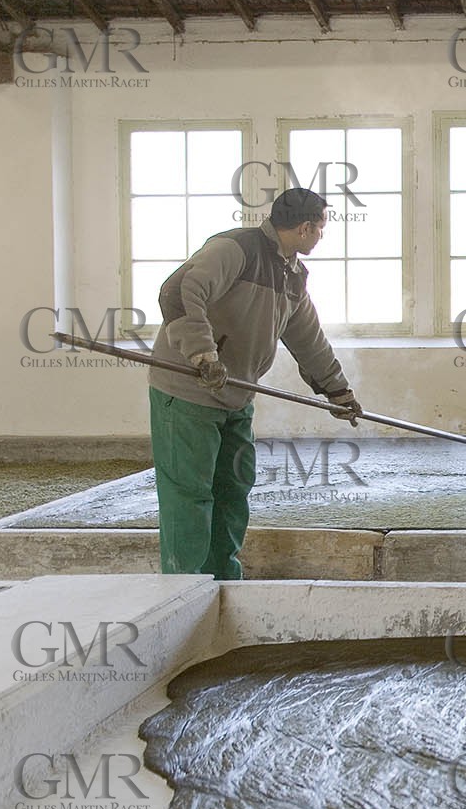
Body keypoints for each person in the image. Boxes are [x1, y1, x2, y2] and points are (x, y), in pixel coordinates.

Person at [147, 187, 362, 580]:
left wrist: (337, 390)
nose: (320, 236)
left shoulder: (292, 274)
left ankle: (223, 581)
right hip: (188, 389)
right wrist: (203, 354)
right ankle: (184, 586)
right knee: (190, 493)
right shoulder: (235, 250)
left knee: (233, 489)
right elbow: (177, 292)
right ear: (304, 228)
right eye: (320, 229)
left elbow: (307, 338)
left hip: (236, 394)